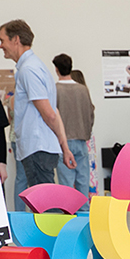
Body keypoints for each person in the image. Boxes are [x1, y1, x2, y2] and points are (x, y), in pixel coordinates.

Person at [0, 19, 72, 203]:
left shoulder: (28, 70)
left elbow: (49, 113)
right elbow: (53, 111)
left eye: (3, 40)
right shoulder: (36, 66)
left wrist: (64, 146)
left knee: (46, 206)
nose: (1, 46)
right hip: (41, 148)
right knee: (45, 203)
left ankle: (52, 233)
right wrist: (64, 146)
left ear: (16, 40)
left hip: (37, 149)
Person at [52, 53, 95, 195]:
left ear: (56, 69)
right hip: (82, 140)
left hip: (63, 141)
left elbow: (51, 116)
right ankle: (84, 214)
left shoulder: (55, 90)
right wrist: (86, 132)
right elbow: (90, 113)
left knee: (67, 184)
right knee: (83, 180)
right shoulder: (83, 89)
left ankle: (70, 214)